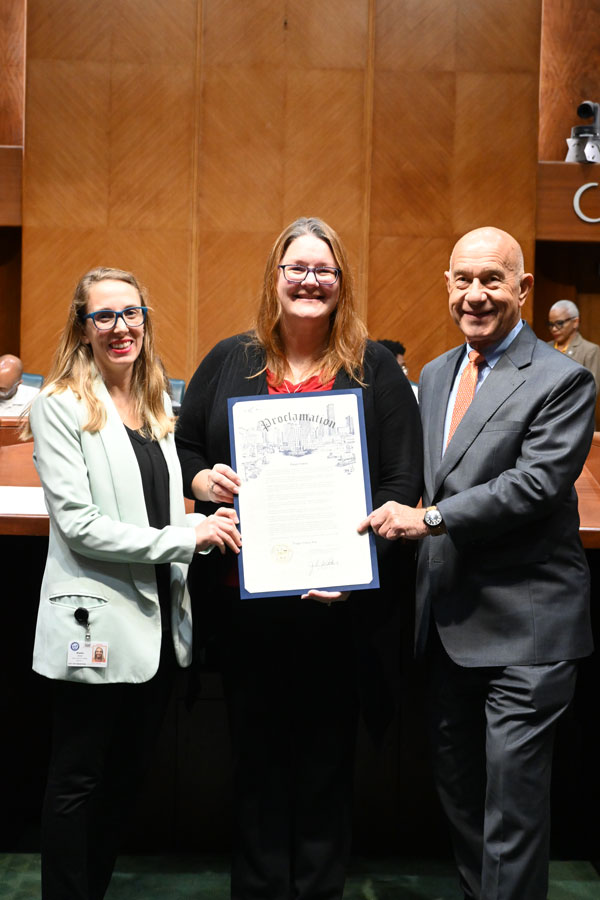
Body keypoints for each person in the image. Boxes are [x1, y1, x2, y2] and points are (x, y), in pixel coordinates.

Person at [176, 217, 423, 900]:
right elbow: (187, 447)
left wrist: (354, 563)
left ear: (341, 283)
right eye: (297, 268)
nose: (310, 280)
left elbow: (404, 481)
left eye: (324, 270)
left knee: (323, 768)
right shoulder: (230, 359)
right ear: (275, 278)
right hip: (247, 604)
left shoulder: (374, 368)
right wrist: (200, 484)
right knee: (254, 763)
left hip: (338, 611)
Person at [359, 227, 595, 900]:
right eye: (464, 280)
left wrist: (427, 519)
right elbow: (418, 482)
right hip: (445, 631)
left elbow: (534, 486)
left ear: (523, 288)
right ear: (447, 285)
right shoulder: (435, 374)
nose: (476, 295)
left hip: (526, 633)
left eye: (493, 280)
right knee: (462, 802)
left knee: (511, 816)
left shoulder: (563, 379)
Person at [24, 267, 241, 900]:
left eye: (131, 313)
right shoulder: (60, 405)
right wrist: (187, 537)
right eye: (104, 316)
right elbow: (81, 526)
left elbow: (160, 506)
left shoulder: (154, 407)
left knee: (122, 785)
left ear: (145, 319)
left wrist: (204, 505)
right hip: (93, 627)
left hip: (155, 632)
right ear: (82, 328)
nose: (121, 328)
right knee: (78, 782)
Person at [547, 299, 600, 392]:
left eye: (559, 323)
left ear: (575, 322)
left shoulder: (589, 350)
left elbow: (592, 390)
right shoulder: (545, 347)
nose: (554, 329)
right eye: (551, 324)